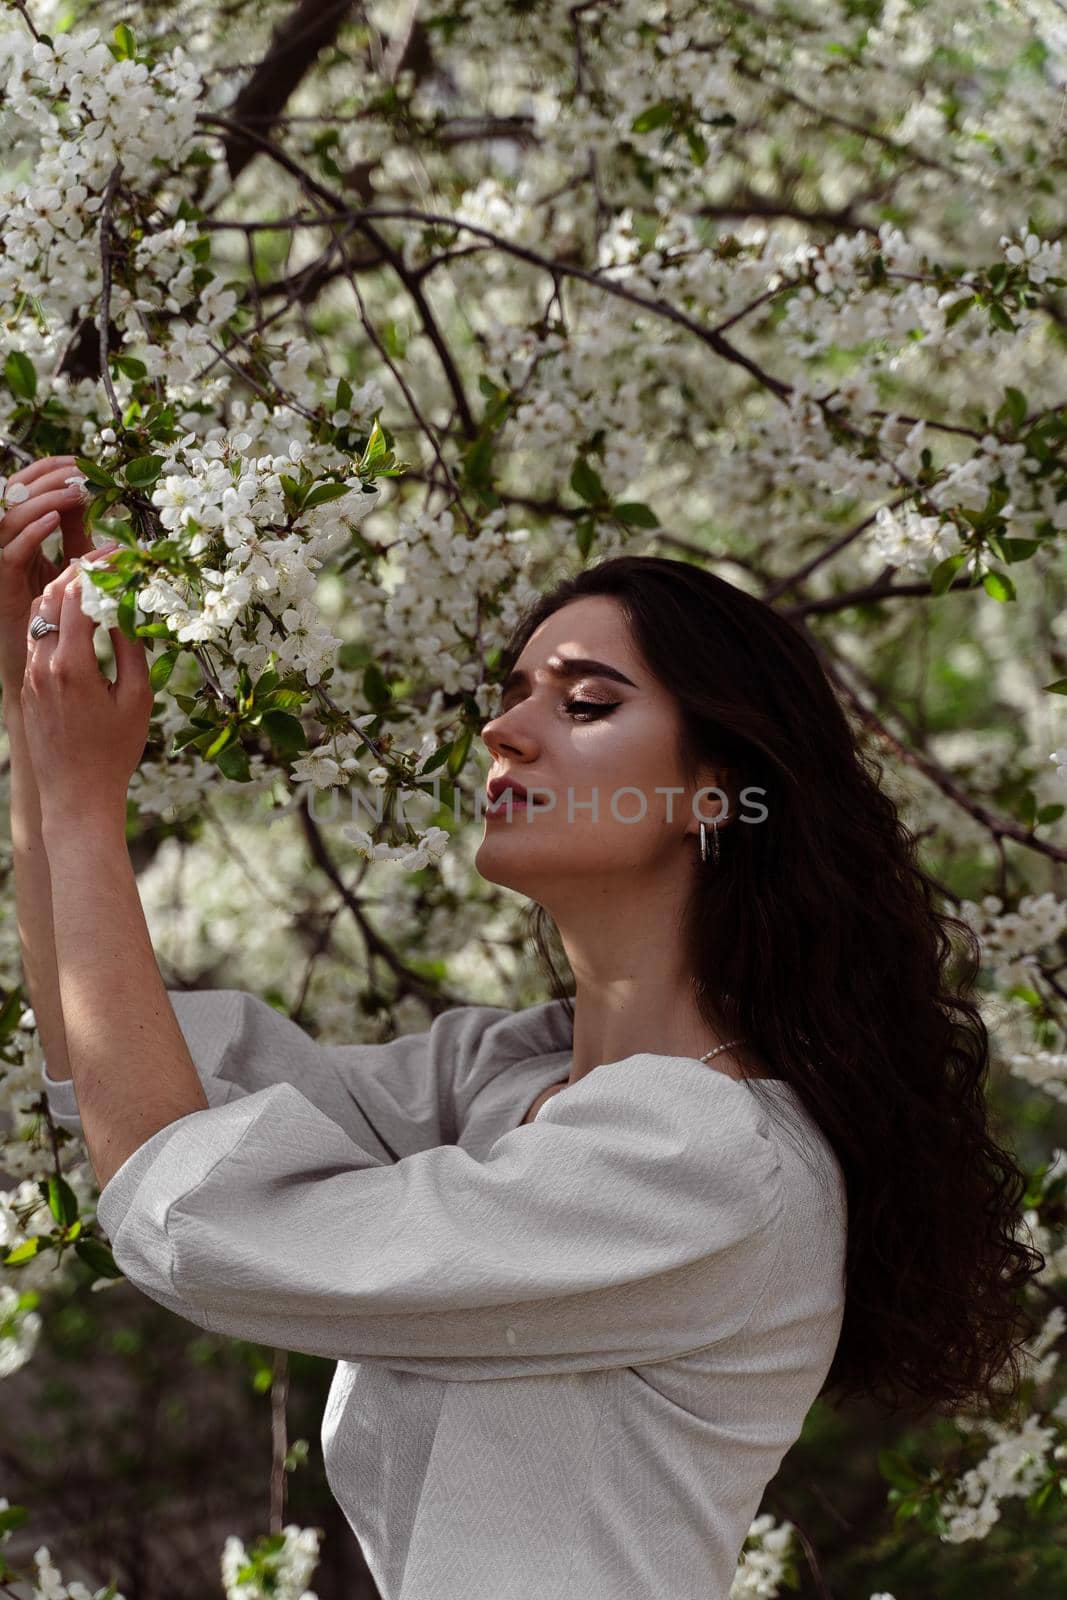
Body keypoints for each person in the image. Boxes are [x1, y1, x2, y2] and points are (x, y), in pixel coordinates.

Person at [1, 454, 1043, 1600]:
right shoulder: (502, 1076)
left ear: (713, 792)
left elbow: (186, 1205)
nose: (505, 729)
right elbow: (120, 1071)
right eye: (513, 692)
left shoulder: (703, 1160)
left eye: (586, 702)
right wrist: (35, 718)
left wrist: (89, 804)